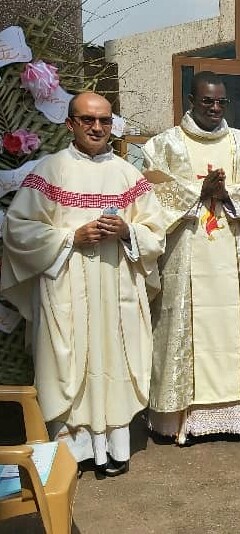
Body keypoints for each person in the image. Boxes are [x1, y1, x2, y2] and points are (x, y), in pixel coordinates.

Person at [1, 92, 166, 476]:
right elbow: (19, 230)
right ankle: (71, 453)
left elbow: (155, 231)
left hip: (115, 286)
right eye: (88, 120)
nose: (97, 127)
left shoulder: (128, 174)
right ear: (70, 123)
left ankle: (115, 448)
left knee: (114, 357)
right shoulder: (48, 172)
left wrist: (127, 231)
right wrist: (70, 238)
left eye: (105, 120)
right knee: (68, 361)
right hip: (66, 285)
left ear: (112, 125)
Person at [142, 71, 240, 445]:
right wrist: (196, 193)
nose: (214, 108)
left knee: (231, 330)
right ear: (190, 100)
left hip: (233, 257)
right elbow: (150, 195)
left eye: (220, 102)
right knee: (183, 329)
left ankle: (236, 417)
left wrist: (227, 195)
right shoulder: (163, 146)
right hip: (185, 256)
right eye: (206, 101)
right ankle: (178, 420)